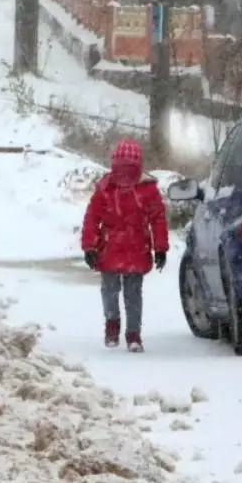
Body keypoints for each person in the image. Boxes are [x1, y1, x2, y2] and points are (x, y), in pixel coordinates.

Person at [80, 139, 168, 352]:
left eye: (130, 170)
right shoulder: (105, 189)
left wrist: (161, 247)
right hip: (110, 248)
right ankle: (112, 325)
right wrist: (89, 246)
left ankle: (133, 334)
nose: (125, 175)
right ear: (114, 168)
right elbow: (92, 217)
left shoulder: (147, 190)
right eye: (121, 169)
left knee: (133, 293)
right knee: (109, 290)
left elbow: (158, 218)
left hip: (136, 248)